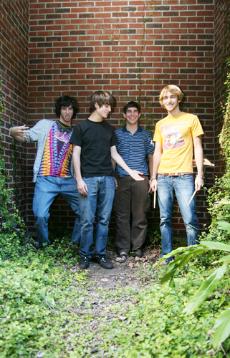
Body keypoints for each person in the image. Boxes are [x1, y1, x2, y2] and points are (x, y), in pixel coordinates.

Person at [70, 91, 144, 270]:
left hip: (108, 180)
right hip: (88, 179)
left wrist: (129, 171)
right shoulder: (81, 128)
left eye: (110, 106)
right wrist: (79, 180)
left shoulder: (109, 129)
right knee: (87, 220)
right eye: (106, 106)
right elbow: (75, 155)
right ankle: (85, 255)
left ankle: (100, 254)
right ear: (96, 105)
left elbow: (114, 154)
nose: (109, 110)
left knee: (104, 220)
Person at [9, 95, 81, 248]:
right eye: (64, 108)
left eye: (70, 109)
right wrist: (12, 131)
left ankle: (75, 244)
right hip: (45, 179)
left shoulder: (77, 132)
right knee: (40, 215)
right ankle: (44, 245)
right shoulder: (45, 125)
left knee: (85, 211)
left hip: (69, 180)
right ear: (59, 110)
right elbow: (25, 137)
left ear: (74, 111)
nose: (67, 112)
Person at [150, 84, 204, 262]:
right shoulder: (160, 124)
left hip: (184, 176)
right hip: (163, 177)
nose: (169, 101)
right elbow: (157, 152)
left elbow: (197, 146)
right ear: (162, 102)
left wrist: (200, 175)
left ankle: (193, 258)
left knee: (189, 219)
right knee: (164, 219)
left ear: (178, 98)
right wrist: (154, 177)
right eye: (165, 98)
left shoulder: (191, 119)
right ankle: (167, 256)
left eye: (172, 97)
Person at [114, 101, 154, 262]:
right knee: (121, 215)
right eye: (128, 112)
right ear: (124, 115)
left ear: (139, 114)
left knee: (140, 214)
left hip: (141, 178)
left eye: (135, 111)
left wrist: (152, 178)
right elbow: (113, 156)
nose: (131, 114)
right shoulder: (117, 134)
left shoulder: (146, 135)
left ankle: (137, 248)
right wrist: (112, 176)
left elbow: (151, 157)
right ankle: (123, 249)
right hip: (122, 178)